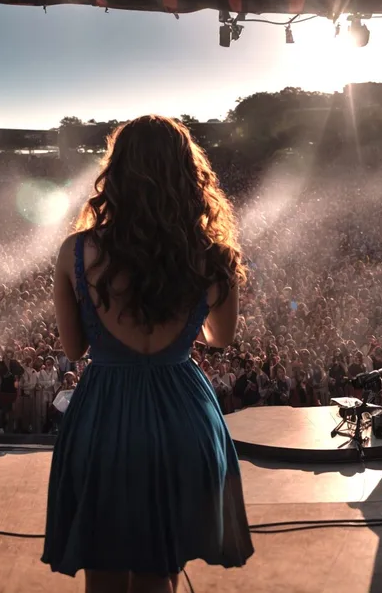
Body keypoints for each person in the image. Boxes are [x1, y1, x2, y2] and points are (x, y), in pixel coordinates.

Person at [42, 115, 253, 593]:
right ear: (187, 174)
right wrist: (176, 327)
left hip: (105, 415)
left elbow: (75, 349)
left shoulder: (75, 252)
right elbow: (220, 338)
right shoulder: (213, 256)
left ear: (115, 174)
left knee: (104, 571)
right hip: (182, 414)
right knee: (161, 570)